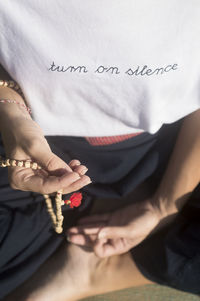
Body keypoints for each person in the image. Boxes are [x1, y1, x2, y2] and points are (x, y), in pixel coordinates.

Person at [0, 1, 200, 300]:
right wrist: (12, 115)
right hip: (22, 141)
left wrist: (166, 204)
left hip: (171, 149)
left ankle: (98, 272)